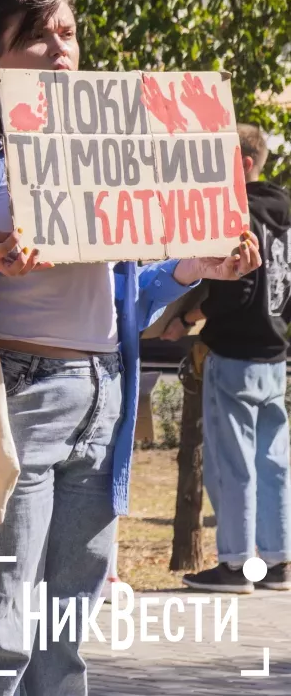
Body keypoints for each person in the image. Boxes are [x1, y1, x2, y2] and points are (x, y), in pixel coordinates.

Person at [0, 0, 261, 695]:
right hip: (3, 405)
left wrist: (192, 265)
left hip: (102, 403)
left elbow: (122, 296)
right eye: (39, 36)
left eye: (69, 33)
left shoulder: (104, 141)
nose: (62, 49)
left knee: (61, 652)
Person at [176, 124, 291, 593]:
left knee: (233, 463)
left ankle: (237, 566)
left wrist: (188, 318)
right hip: (273, 352)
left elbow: (237, 288)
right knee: (273, 461)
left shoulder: (238, 215)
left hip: (235, 354)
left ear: (244, 164)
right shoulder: (284, 212)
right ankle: (278, 561)